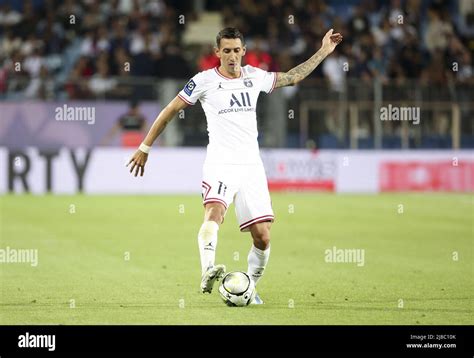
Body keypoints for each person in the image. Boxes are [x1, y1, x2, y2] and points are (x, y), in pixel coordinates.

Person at [127, 27, 342, 304]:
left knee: (263, 237)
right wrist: (145, 147)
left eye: (235, 50)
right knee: (214, 212)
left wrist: (323, 51)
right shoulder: (203, 81)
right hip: (221, 161)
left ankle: (249, 287)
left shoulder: (254, 76)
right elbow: (169, 111)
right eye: (225, 51)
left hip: (251, 165)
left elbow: (293, 77)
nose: (231, 56)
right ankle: (207, 270)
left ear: (243, 51)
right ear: (217, 53)